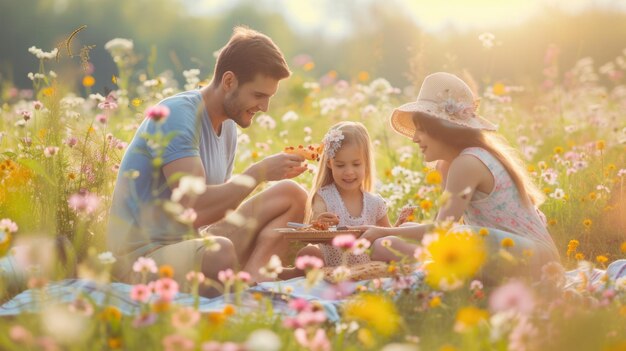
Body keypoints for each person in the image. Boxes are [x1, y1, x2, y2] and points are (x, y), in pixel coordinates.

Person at [107, 27, 308, 296]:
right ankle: (241, 279)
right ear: (229, 82)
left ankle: (255, 278)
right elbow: (195, 209)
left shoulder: (228, 129)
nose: (264, 107)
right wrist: (257, 174)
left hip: (190, 242)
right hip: (143, 258)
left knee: (292, 195)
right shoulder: (177, 115)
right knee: (220, 251)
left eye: (269, 97)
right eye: (259, 95)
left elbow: (210, 213)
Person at [358, 72, 560, 281]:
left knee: (456, 236)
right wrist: (386, 233)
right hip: (500, 250)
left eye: (421, 130)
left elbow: (442, 231)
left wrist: (380, 231)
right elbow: (440, 228)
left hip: (537, 261)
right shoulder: (448, 166)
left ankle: (429, 271)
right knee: (392, 239)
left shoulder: (468, 162)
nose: (415, 139)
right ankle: (432, 268)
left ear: (442, 130)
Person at [281, 122, 391, 278]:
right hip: (328, 264)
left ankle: (292, 274)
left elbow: (387, 235)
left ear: (366, 163)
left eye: (356, 164)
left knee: (388, 251)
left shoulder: (375, 203)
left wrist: (400, 225)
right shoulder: (325, 195)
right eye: (340, 165)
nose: (349, 172)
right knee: (309, 252)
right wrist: (320, 222)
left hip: (365, 267)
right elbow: (315, 222)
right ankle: (290, 274)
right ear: (329, 164)